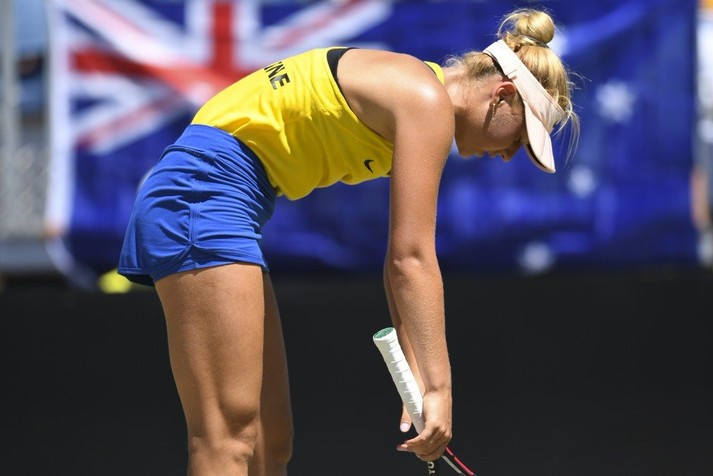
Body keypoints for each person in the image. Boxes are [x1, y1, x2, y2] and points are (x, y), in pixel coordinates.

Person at [118, 7, 579, 476]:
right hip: (199, 195)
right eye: (520, 137)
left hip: (218, 200)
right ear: (502, 95)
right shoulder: (427, 101)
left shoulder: (420, 93)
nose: (509, 155)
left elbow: (402, 269)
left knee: (271, 442)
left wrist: (419, 379)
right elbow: (409, 259)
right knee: (228, 437)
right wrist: (439, 390)